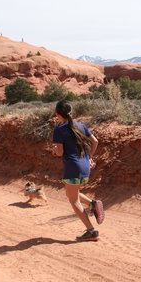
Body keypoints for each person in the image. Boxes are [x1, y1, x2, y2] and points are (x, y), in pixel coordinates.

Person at [52, 100, 104, 241]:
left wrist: (54, 151)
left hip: (72, 167)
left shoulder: (59, 129)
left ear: (57, 114)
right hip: (84, 167)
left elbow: (60, 152)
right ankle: (93, 204)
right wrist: (89, 158)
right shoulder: (80, 125)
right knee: (71, 193)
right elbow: (95, 141)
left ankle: (91, 231)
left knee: (73, 200)